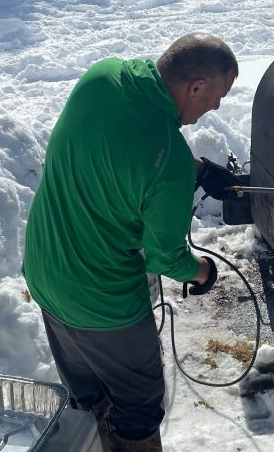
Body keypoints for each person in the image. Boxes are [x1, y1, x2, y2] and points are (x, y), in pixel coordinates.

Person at [22, 33, 240, 452]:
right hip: (105, 303)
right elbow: (167, 259)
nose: (216, 107)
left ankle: (90, 440)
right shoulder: (169, 161)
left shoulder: (102, 76)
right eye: (218, 96)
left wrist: (198, 169)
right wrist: (206, 273)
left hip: (45, 273)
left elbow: (122, 142)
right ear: (196, 87)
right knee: (138, 406)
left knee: (86, 397)